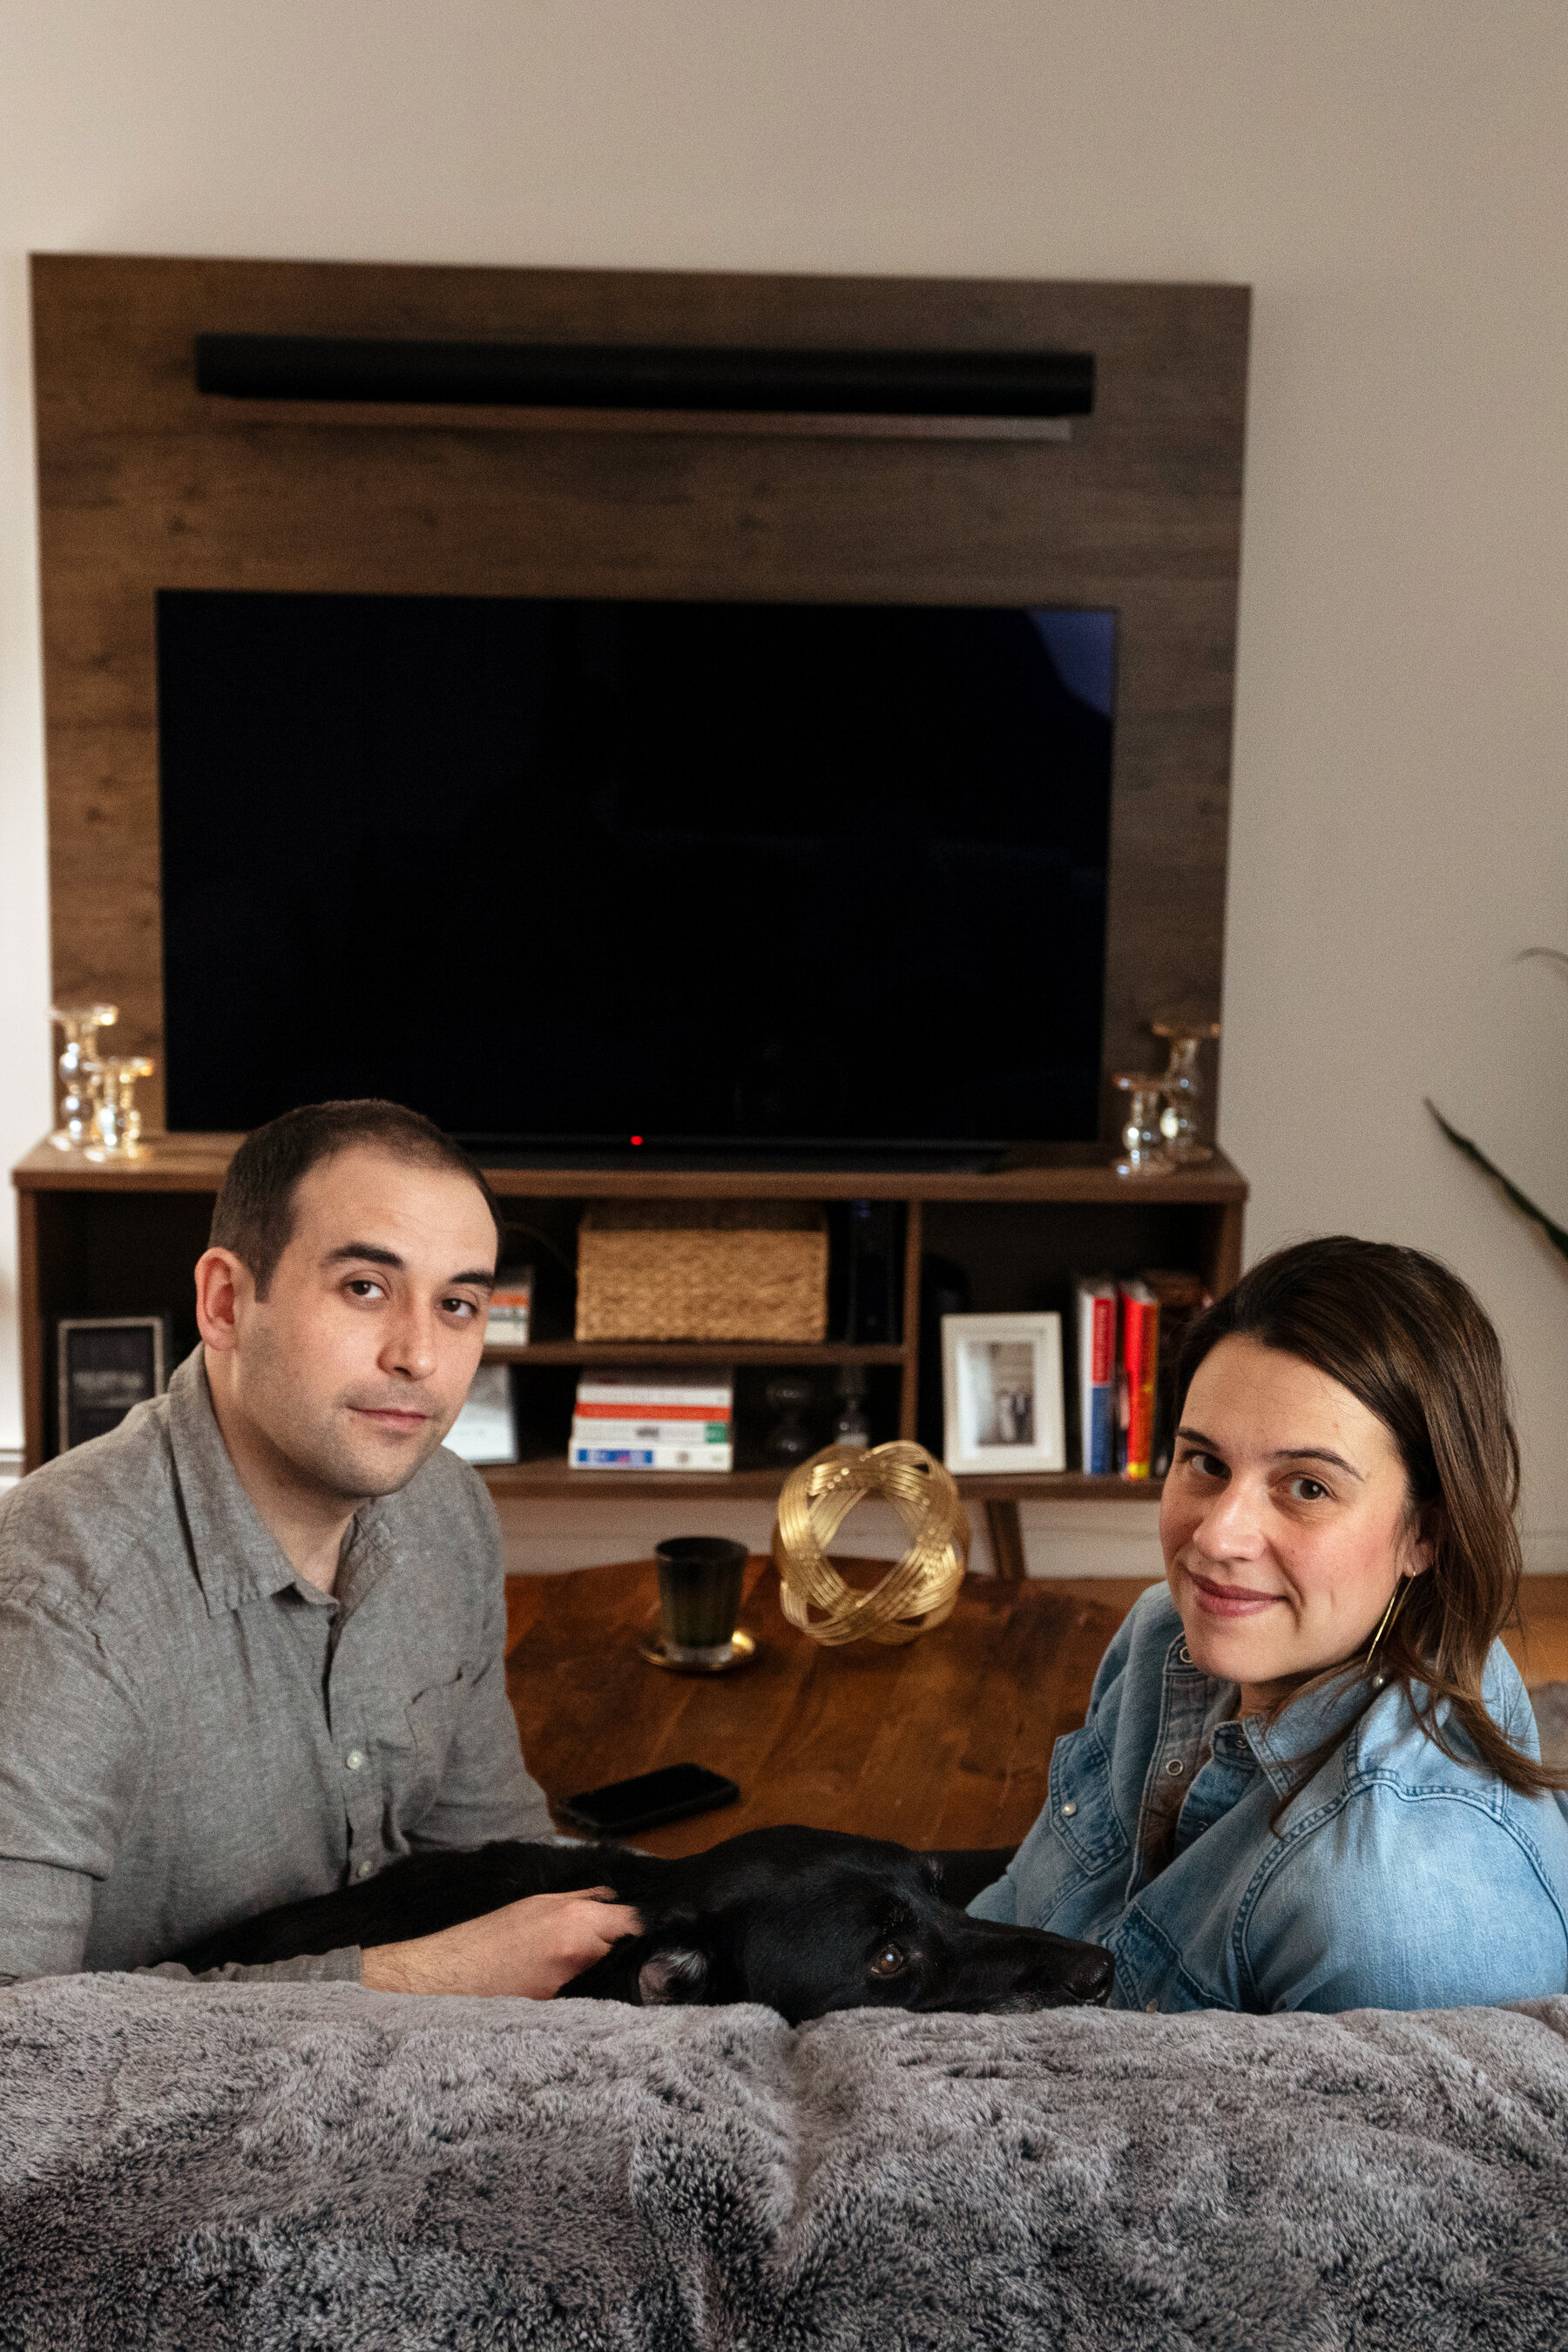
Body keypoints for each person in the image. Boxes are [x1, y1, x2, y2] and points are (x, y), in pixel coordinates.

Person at [0, 1099, 639, 1993]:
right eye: (366, 1288)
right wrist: (418, 1976)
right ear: (226, 1302)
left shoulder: (446, 1510)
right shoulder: (59, 1598)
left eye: (458, 1304)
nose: (419, 1354)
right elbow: (20, 2047)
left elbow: (492, 1857)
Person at [970, 1235, 1568, 2011]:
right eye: (1206, 1463)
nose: (1217, 1538)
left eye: (1307, 1488)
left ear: (1427, 1533)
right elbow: (1010, 1922)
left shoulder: (1389, 1915)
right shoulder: (1166, 1637)